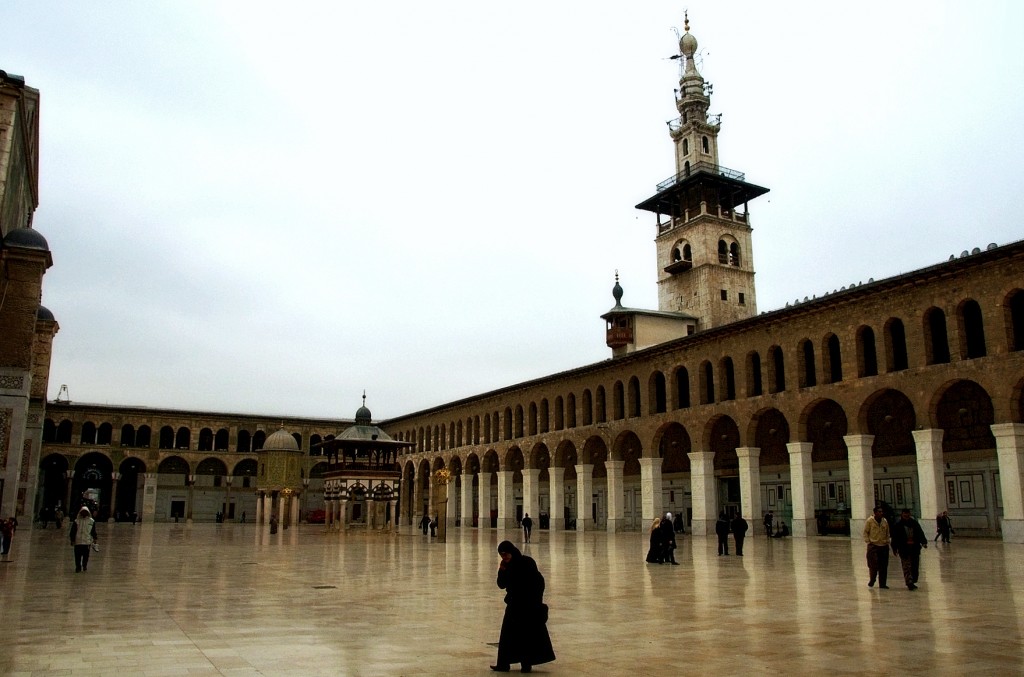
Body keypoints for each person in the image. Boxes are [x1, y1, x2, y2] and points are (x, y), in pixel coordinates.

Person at [491, 540, 555, 673]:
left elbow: (539, 581)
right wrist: (501, 570)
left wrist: (536, 600)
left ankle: (526, 664)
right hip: (514, 604)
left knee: (527, 636)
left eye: (506, 554)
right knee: (508, 636)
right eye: (502, 555)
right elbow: (501, 584)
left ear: (512, 551)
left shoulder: (527, 562)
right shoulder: (505, 565)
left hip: (528, 605)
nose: (504, 557)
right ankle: (503, 664)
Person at [892, 509, 928, 590]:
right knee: (906, 566)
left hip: (914, 548)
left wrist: (924, 542)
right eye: (905, 515)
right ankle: (909, 582)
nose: (906, 517)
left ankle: (913, 579)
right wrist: (894, 548)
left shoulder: (914, 523)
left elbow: (920, 533)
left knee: (915, 566)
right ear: (902, 515)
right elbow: (895, 538)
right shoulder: (898, 525)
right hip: (904, 549)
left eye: (907, 515)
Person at [863, 506, 891, 589]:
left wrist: (887, 541)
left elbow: (887, 532)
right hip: (874, 546)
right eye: (879, 512)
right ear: (875, 513)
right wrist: (869, 542)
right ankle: (872, 579)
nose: (881, 513)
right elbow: (865, 532)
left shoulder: (884, 521)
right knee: (873, 565)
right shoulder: (870, 521)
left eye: (882, 511)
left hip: (883, 546)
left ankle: (882, 583)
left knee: (883, 566)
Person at [69, 507, 98, 573]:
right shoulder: (77, 521)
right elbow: (73, 531)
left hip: (86, 542)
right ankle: (78, 567)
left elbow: (93, 531)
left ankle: (84, 565)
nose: (84, 513)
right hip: (78, 541)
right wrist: (72, 540)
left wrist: (95, 538)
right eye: (83, 512)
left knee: (86, 556)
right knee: (77, 556)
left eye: (85, 512)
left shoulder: (91, 521)